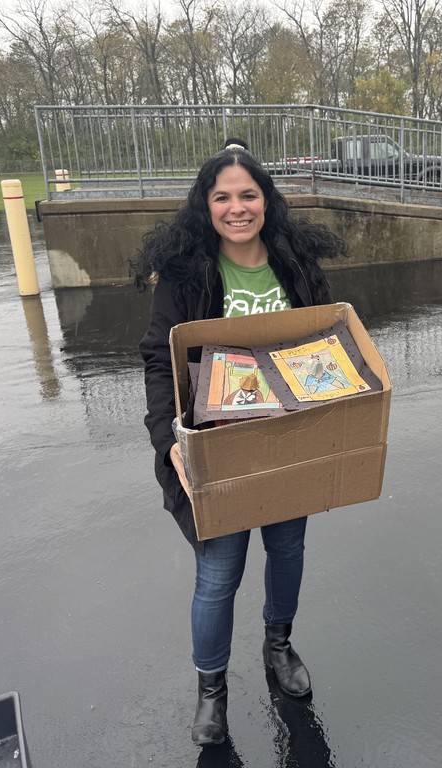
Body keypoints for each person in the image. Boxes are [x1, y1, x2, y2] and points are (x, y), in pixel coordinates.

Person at [132, 138, 347, 746]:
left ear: (266, 200)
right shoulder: (185, 275)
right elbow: (159, 362)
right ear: (205, 206)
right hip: (218, 448)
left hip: (289, 440)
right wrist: (168, 442)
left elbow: (328, 343)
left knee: (288, 549)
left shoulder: (296, 265)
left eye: (248, 195)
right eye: (222, 197)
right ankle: (212, 690)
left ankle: (279, 646)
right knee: (218, 573)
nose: (237, 208)